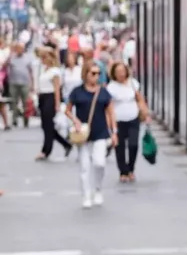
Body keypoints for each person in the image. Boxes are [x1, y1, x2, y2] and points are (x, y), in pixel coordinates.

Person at [66, 62, 117, 209]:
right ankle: (86, 195)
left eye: (98, 74)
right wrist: (75, 120)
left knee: (99, 163)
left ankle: (98, 189)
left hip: (100, 132)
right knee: (84, 167)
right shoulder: (77, 91)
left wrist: (114, 132)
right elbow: (68, 109)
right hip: (82, 134)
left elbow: (111, 112)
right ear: (85, 74)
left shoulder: (103, 92)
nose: (96, 76)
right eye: (92, 73)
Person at [107, 62, 148, 183]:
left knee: (133, 144)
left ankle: (131, 169)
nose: (121, 74)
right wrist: (110, 122)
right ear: (114, 73)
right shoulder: (111, 87)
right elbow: (108, 106)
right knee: (119, 147)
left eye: (122, 71)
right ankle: (123, 171)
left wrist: (145, 112)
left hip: (133, 118)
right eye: (118, 72)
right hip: (118, 120)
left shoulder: (133, 83)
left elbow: (139, 99)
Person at [34, 48, 71, 161]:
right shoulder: (44, 70)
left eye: (44, 57)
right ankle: (65, 144)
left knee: (48, 125)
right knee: (46, 126)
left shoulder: (55, 71)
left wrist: (57, 103)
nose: (42, 60)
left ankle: (46, 150)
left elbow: (56, 89)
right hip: (43, 97)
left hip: (50, 97)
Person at [7, 42, 35, 128]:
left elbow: (31, 72)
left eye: (21, 48)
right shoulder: (12, 57)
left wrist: (32, 85)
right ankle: (14, 120)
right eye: (18, 48)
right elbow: (5, 65)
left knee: (25, 103)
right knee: (14, 102)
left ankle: (25, 119)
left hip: (25, 83)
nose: (20, 50)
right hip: (13, 83)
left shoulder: (27, 58)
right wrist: (10, 53)